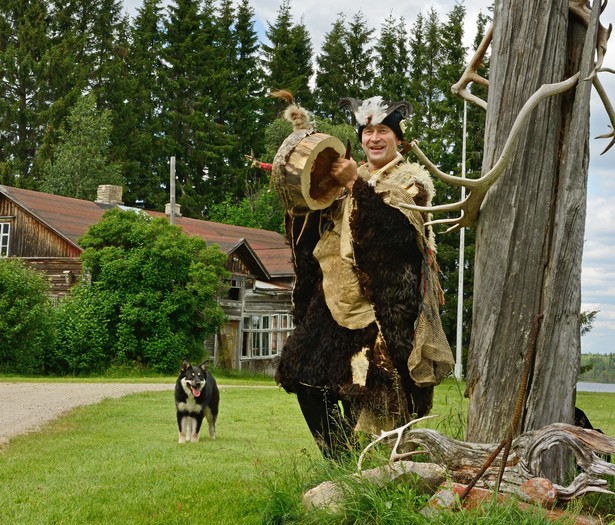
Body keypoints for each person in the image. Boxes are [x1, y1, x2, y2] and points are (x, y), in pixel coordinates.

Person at [274, 95, 454, 458]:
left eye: (383, 130)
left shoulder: (412, 183)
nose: (374, 138)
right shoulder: (348, 181)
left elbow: (396, 236)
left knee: (369, 400)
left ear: (399, 139)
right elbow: (315, 239)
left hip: (382, 312)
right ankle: (339, 463)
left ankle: (369, 475)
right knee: (305, 380)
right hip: (333, 304)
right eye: (368, 131)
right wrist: (308, 193)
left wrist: (355, 183)